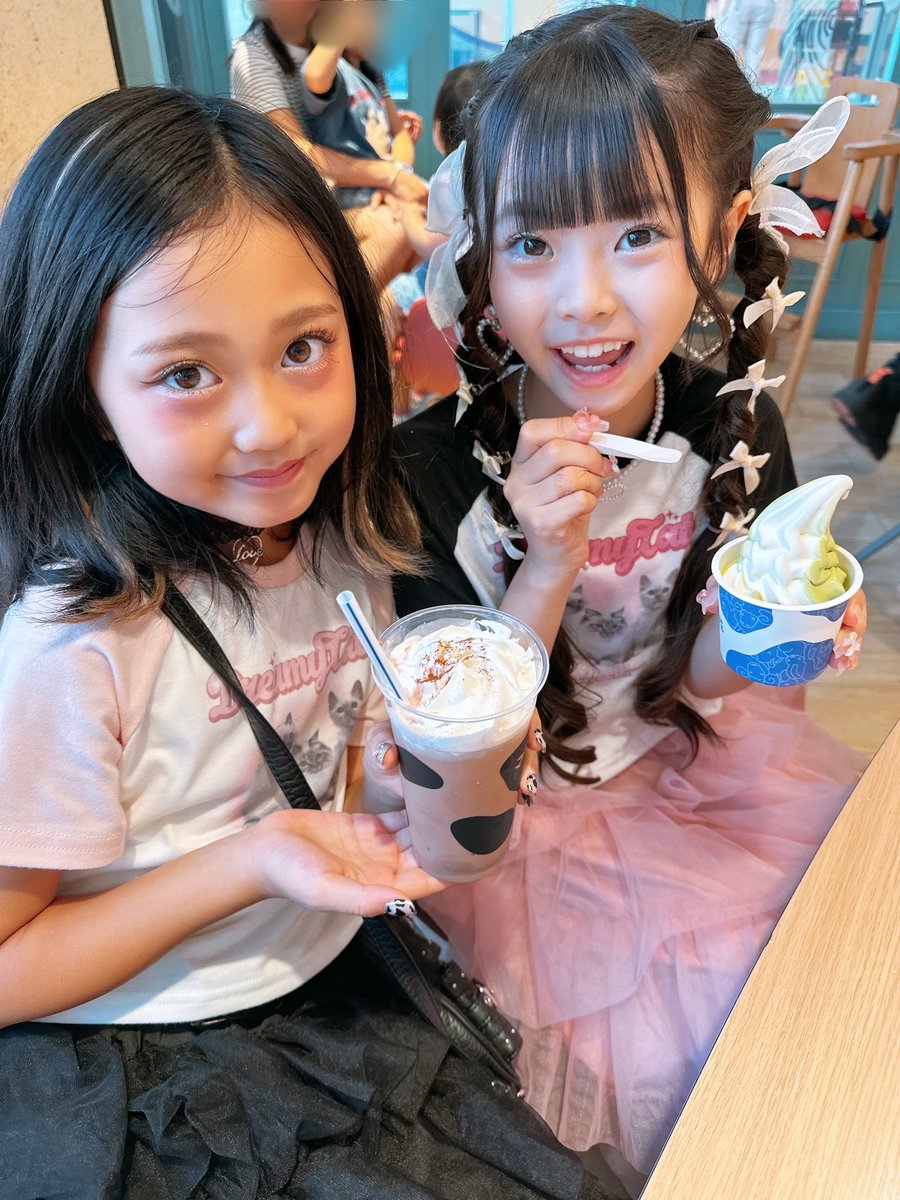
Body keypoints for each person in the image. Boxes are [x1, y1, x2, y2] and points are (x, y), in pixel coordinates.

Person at [0, 87, 610, 1200]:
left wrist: (401, 778)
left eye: (303, 347)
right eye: (186, 373)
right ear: (83, 390)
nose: (270, 425)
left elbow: (338, 765)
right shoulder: (74, 646)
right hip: (147, 1065)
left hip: (335, 984)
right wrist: (250, 861)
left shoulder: (336, 536)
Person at [384, 8, 869, 1196]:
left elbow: (686, 680)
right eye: (533, 244)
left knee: (820, 997)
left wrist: (765, 642)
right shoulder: (425, 473)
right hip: (517, 831)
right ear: (478, 257)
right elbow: (462, 759)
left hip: (691, 771)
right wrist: (547, 560)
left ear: (726, 231)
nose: (586, 300)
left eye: (640, 234)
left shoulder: (729, 430)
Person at [230, 0, 427, 288]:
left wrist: (395, 177)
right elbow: (298, 152)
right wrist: (390, 176)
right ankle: (348, 311)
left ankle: (388, 308)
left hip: (354, 192)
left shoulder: (340, 46)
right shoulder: (255, 57)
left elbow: (392, 129)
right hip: (302, 206)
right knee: (398, 228)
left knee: (421, 225)